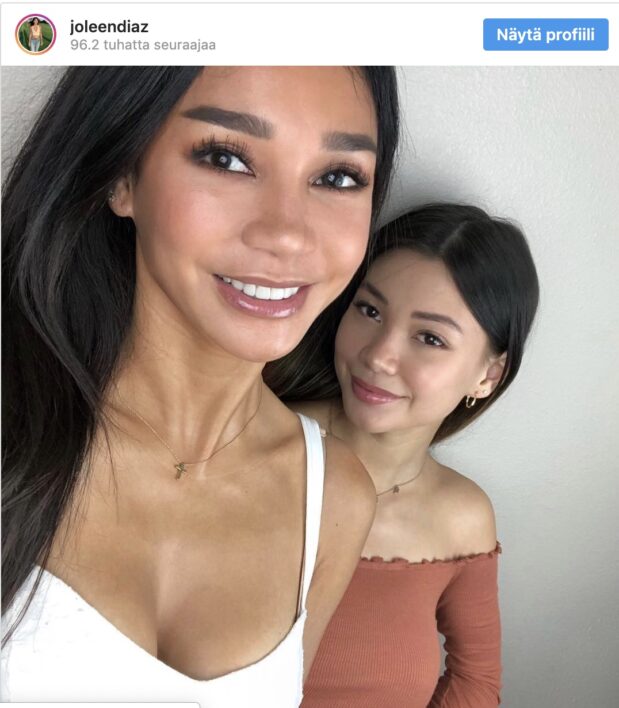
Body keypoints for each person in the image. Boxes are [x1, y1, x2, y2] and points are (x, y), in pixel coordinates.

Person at [1, 67, 399, 705]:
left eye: (337, 177)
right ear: (121, 176)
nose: (287, 233)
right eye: (226, 158)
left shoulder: (335, 500)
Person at [268, 203, 539, 706]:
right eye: (369, 311)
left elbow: (475, 681)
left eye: (430, 337)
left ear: (488, 376)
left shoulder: (463, 517)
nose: (378, 355)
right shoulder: (255, 443)